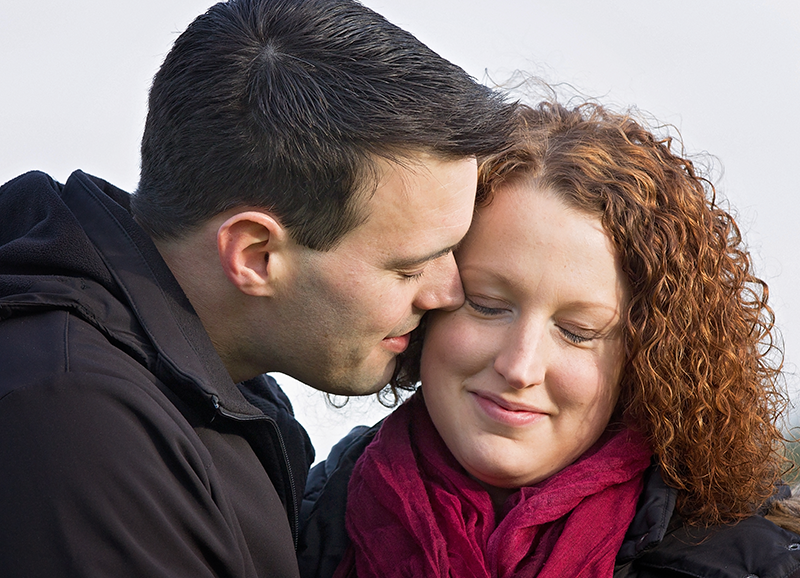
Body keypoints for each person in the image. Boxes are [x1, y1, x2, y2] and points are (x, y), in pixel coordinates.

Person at [0, 0, 518, 576]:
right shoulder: (74, 424)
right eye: (408, 267)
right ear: (255, 255)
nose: (447, 292)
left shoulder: (208, 381)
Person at [298, 100, 800, 578]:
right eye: (486, 305)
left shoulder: (763, 561)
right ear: (426, 298)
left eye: (579, 332)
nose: (520, 366)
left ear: (649, 360)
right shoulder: (295, 516)